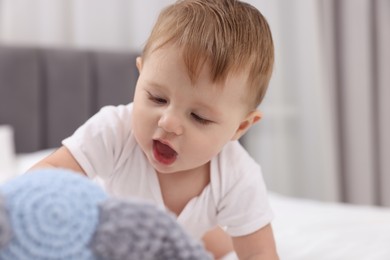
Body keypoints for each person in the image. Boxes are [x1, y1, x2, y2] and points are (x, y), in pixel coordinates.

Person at [31, 0, 278, 259]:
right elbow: (49, 174)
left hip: (185, 236)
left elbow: (260, 255)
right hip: (114, 235)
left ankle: (208, 236)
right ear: (140, 75)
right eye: (157, 98)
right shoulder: (115, 130)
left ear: (240, 127)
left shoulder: (237, 175)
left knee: (212, 246)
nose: (168, 122)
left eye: (198, 117)